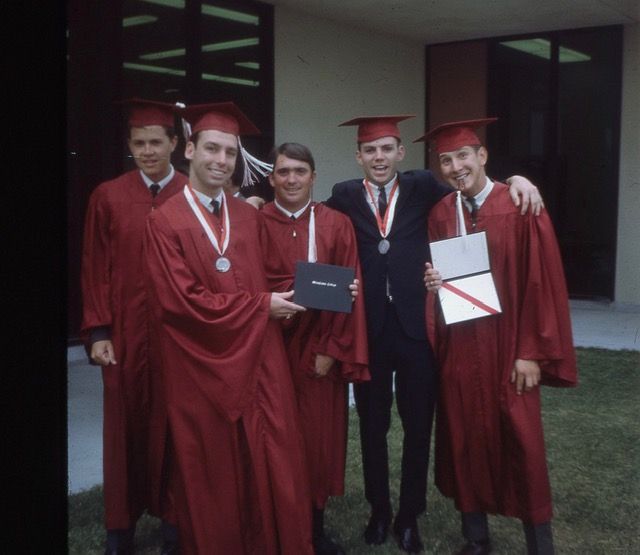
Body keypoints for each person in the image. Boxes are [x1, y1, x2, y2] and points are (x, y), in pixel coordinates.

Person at [325, 114, 543, 553]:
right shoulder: (344, 196)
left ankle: (409, 517)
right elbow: (307, 213)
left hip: (416, 330)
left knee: (418, 426)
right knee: (372, 426)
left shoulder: (424, 186)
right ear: (359, 156)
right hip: (370, 330)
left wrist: (519, 180)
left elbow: (473, 188)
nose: (379, 157)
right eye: (370, 150)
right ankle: (379, 511)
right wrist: (251, 200)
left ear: (400, 153)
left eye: (387, 149)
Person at [143, 102, 314, 554]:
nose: (221, 160)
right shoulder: (164, 221)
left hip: (259, 360)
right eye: (212, 149)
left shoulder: (248, 217)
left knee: (275, 455)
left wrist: (331, 288)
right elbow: (180, 303)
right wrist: (261, 307)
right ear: (189, 150)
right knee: (214, 468)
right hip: (200, 366)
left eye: (230, 152)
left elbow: (276, 275)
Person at [421, 118, 578, 555]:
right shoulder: (440, 214)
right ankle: (476, 538)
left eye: (463, 156)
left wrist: (531, 352)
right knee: (466, 438)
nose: (456, 167)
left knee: (522, 442)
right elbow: (440, 279)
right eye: (446, 160)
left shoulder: (519, 204)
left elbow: (539, 282)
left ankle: (539, 544)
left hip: (509, 347)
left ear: (482, 156)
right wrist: (433, 283)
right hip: (461, 346)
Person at [81, 98, 186, 554]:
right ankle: (119, 528)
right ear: (129, 144)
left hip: (177, 336)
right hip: (123, 334)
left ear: (174, 143)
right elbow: (94, 267)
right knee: (122, 428)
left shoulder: (191, 193)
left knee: (176, 425)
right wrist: (98, 331)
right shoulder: (107, 196)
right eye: (139, 143)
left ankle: (175, 522)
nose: (147, 151)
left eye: (155, 142)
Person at [259, 142, 370, 554]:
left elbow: (350, 287)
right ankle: (272, 526)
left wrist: (330, 349)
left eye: (300, 171)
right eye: (283, 171)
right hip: (267, 348)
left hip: (318, 349)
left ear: (314, 177)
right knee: (271, 439)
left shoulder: (336, 224)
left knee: (316, 440)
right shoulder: (254, 222)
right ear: (271, 178)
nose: (291, 179)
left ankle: (314, 529)